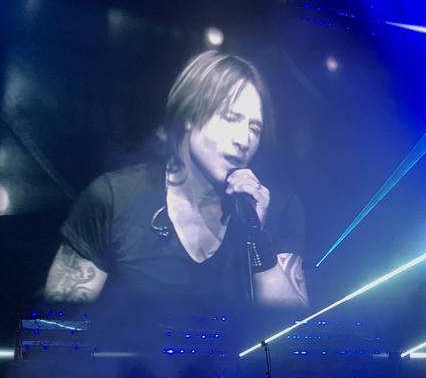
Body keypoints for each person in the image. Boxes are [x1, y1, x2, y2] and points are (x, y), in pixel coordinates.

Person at [42, 51, 308, 313]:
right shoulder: (113, 198)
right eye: (231, 118)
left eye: (254, 128)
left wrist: (257, 237)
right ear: (190, 116)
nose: (243, 140)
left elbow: (293, 333)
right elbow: (57, 331)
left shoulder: (275, 206)